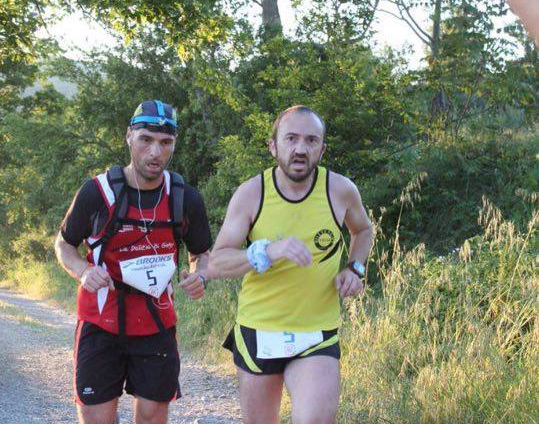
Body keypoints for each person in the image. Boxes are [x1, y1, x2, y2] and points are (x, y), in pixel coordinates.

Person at [209, 105, 374, 424]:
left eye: (311, 140)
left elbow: (363, 230)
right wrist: (267, 251)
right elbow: (217, 263)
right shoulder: (252, 193)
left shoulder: (340, 190)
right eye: (291, 138)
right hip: (259, 330)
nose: (301, 149)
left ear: (322, 149)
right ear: (273, 146)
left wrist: (354, 268)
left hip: (316, 332)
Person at [54, 99, 212, 424]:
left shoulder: (185, 198)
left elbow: (201, 255)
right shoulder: (97, 192)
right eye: (146, 140)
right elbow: (64, 244)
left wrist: (200, 276)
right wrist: (83, 271)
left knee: (152, 417)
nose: (155, 152)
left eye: (165, 143)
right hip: (100, 321)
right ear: (129, 136)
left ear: (174, 144)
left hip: (156, 324)